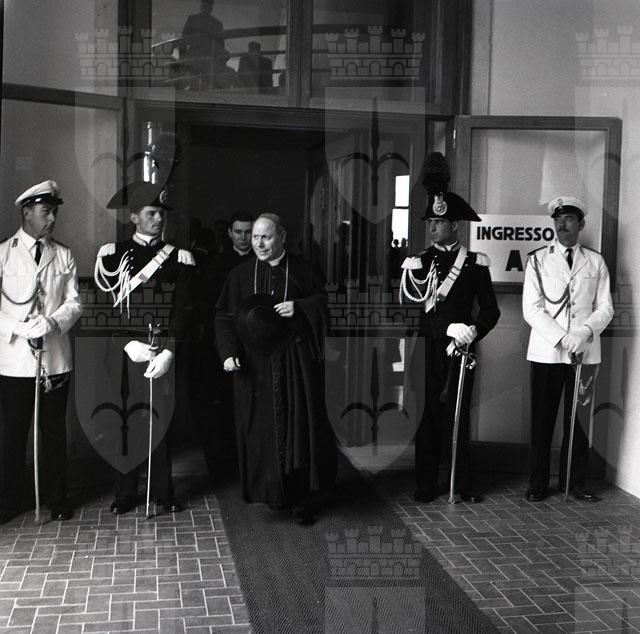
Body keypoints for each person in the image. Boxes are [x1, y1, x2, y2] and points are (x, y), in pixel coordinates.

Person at [214, 213, 336, 524]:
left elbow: (326, 304)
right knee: (260, 431)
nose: (259, 243)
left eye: (266, 237)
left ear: (281, 236)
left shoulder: (303, 270)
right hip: (254, 366)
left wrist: (300, 307)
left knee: (298, 429)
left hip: (295, 365)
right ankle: (270, 494)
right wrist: (228, 353)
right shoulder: (240, 274)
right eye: (255, 237)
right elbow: (224, 317)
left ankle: (300, 500)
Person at [400, 153, 500, 504]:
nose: (432, 227)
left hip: (462, 350)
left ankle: (460, 482)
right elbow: (413, 313)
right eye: (430, 221)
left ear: (455, 225)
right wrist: (448, 328)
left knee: (458, 416)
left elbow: (491, 310)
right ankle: (426, 481)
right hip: (428, 349)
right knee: (427, 416)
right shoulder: (418, 262)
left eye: (439, 222)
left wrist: (473, 331)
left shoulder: (474, 263)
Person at [94, 181, 195, 515]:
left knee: (160, 421)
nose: (159, 219)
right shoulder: (112, 255)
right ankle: (125, 492)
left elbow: (183, 310)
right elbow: (104, 309)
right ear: (134, 216)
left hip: (160, 348)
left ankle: (162, 490)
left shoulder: (179, 258)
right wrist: (127, 344)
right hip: (124, 351)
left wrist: (168, 351)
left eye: (161, 213)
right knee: (124, 420)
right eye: (151, 213)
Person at [0, 180, 82, 523]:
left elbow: (74, 303)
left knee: (54, 433)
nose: (52, 218)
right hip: (15, 360)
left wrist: (52, 322)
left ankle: (57, 499)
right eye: (46, 211)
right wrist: (17, 327)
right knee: (13, 434)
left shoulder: (63, 254)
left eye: (54, 212)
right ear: (26, 212)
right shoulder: (3, 253)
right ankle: (8, 501)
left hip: (54, 358)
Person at [522, 196, 613, 502]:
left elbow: (606, 307)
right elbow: (532, 309)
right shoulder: (538, 260)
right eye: (558, 219)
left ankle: (573, 482)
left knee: (579, 421)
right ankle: (537, 483)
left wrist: (584, 333)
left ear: (581, 224)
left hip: (585, 352)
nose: (562, 224)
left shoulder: (596, 261)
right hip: (547, 352)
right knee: (542, 420)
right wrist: (563, 338)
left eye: (569, 219)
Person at [192, 212, 254, 479]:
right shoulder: (216, 264)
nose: (244, 237)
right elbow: (208, 304)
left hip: (253, 341)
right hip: (222, 341)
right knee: (223, 403)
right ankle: (225, 463)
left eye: (248, 232)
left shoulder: (261, 262)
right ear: (229, 233)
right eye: (238, 232)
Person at [180, 0, 226, 89]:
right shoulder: (217, 23)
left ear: (201, 6)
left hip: (194, 56)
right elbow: (220, 45)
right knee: (206, 85)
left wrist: (182, 57)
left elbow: (184, 39)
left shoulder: (193, 19)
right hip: (208, 59)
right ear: (211, 7)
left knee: (193, 84)